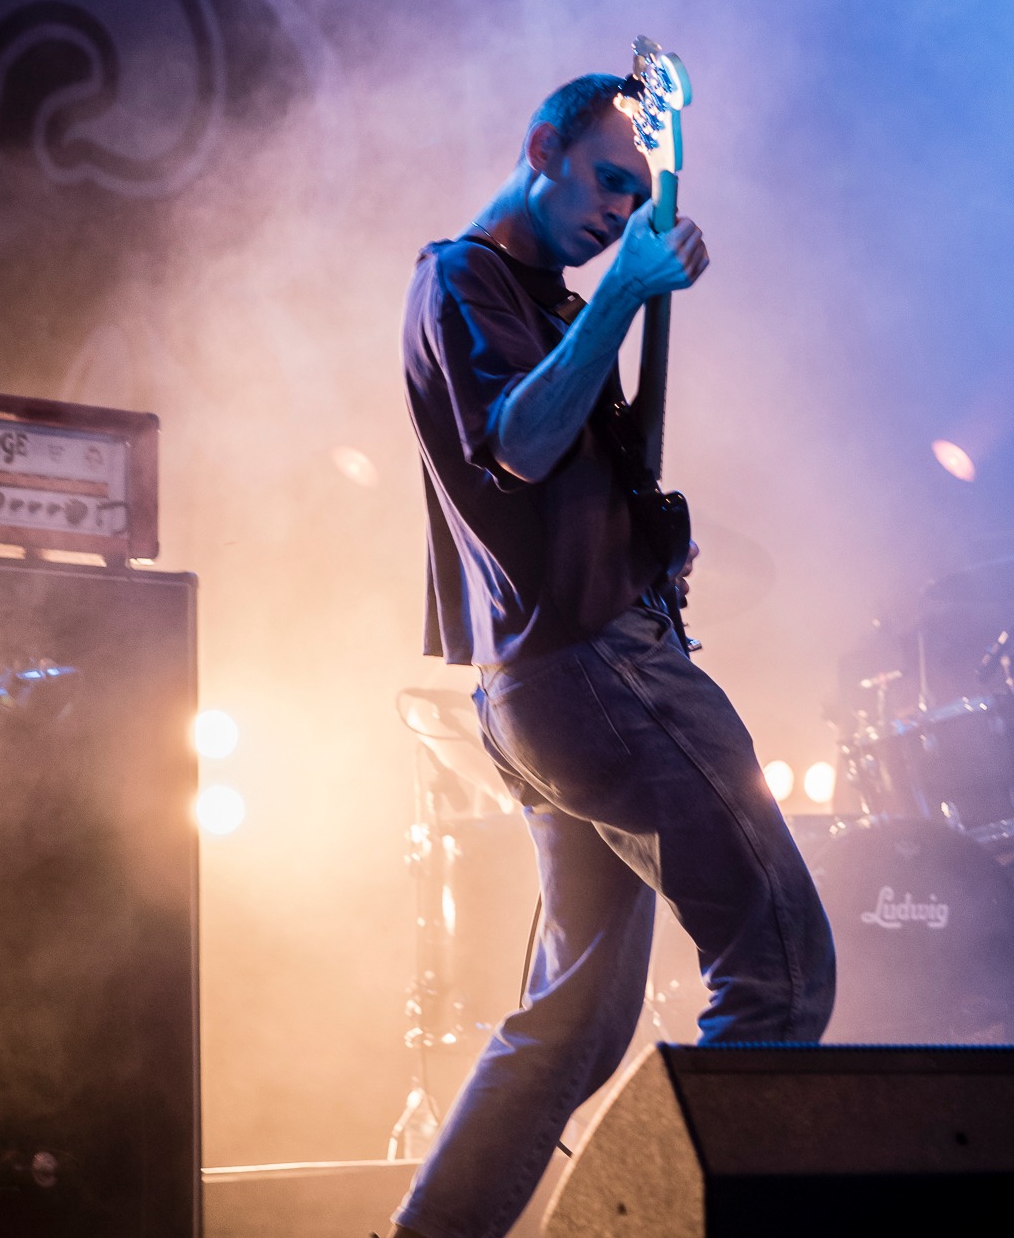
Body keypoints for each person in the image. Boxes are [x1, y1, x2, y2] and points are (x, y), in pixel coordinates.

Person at [390, 72, 836, 1238]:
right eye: (606, 181)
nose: (619, 214)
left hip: (552, 687)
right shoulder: (462, 278)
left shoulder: (539, 298)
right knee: (780, 968)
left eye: (639, 197)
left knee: (573, 1028)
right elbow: (521, 445)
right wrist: (628, 293)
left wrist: (646, 538)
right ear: (542, 146)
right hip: (591, 673)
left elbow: (569, 475)